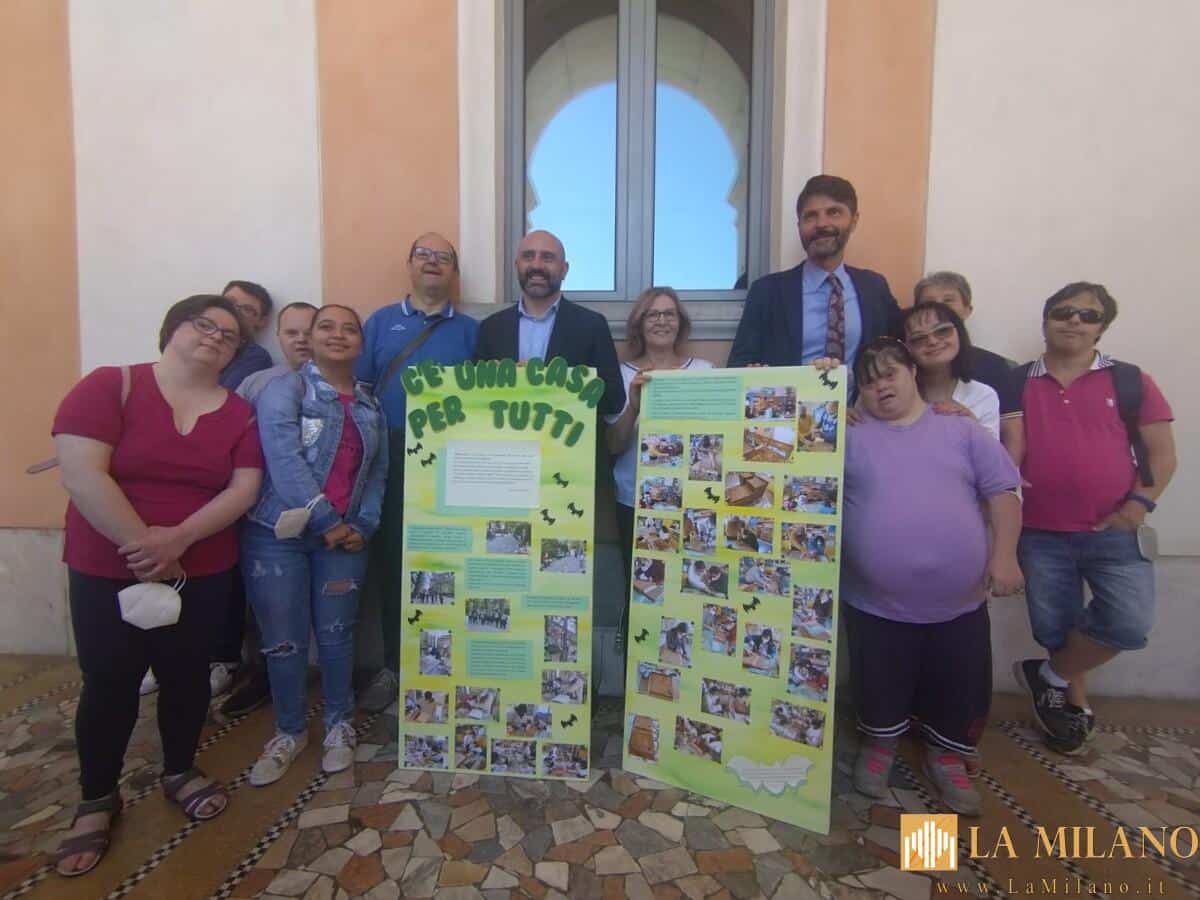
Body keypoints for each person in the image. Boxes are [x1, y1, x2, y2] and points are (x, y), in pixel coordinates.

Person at [51, 295, 263, 877]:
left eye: (229, 335)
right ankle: (97, 797)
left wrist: (179, 540)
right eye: (204, 324)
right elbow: (81, 472)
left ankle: (179, 769)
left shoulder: (240, 413)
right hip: (106, 565)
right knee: (109, 681)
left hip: (202, 565)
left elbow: (244, 488)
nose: (216, 337)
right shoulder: (109, 386)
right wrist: (144, 544)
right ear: (171, 329)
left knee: (187, 676)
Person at [840, 338, 1023, 816]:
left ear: (913, 373)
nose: (881, 387)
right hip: (874, 603)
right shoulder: (848, 437)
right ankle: (879, 744)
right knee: (878, 679)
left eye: (890, 374)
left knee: (956, 681)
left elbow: (1003, 493)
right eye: (869, 382)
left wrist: (1005, 557)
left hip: (958, 603)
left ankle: (947, 756)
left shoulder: (960, 429)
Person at [1010, 283, 1176, 754]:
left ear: (1102, 327)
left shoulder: (1130, 380)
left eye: (1088, 315)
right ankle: (1071, 704)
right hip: (1039, 531)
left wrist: (1136, 506)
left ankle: (1048, 676)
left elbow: (1163, 455)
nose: (1074, 321)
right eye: (1064, 311)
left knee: (1128, 623)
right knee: (1056, 627)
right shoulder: (1015, 381)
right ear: (1046, 319)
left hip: (1114, 531)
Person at [243, 304, 388, 784]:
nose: (338, 335)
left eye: (350, 329)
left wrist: (364, 525)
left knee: (337, 634)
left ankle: (339, 724)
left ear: (361, 344)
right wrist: (326, 520)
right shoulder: (285, 390)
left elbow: (377, 473)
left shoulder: (369, 403)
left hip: (344, 541)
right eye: (327, 327)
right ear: (311, 336)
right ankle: (288, 731)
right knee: (284, 641)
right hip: (277, 537)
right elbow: (283, 461)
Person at [356, 233, 479, 713]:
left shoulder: (471, 332)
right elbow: (360, 392)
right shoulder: (379, 323)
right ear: (409, 264)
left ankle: (450, 664)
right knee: (393, 564)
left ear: (454, 273)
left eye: (443, 257)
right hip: (390, 461)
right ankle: (394, 665)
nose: (433, 262)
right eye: (424, 254)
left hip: (452, 467)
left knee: (452, 564)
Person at [207, 301, 319, 718]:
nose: (302, 340)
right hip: (265, 520)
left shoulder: (346, 385)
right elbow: (230, 438)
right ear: (279, 337)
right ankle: (264, 680)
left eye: (310, 330)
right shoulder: (256, 384)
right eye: (292, 333)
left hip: (329, 520)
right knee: (267, 614)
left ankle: (328, 700)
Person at [607, 288, 714, 648]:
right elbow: (613, 445)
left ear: (680, 323)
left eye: (669, 314)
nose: (662, 321)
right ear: (639, 323)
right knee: (643, 591)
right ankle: (636, 668)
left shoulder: (704, 372)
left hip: (693, 503)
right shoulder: (621, 375)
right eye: (652, 314)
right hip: (635, 504)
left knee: (691, 589)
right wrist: (634, 406)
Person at [728, 175, 900, 373]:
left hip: (858, 394)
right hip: (790, 393)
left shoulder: (874, 287)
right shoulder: (767, 292)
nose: (821, 224)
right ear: (799, 226)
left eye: (834, 212)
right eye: (810, 216)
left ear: (853, 221)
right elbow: (738, 366)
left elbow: (905, 346)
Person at [474, 229, 625, 415]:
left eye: (547, 258)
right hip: (506, 433)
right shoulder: (491, 328)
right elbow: (475, 400)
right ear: (516, 265)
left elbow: (614, 401)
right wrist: (495, 379)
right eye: (528, 256)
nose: (536, 265)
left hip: (568, 432)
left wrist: (552, 381)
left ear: (564, 270)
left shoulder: (592, 326)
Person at [913, 271, 1020, 441]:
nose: (939, 308)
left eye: (948, 300)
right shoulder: (904, 366)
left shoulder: (995, 367)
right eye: (929, 302)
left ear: (967, 310)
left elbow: (1013, 435)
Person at [899, 302, 1001, 438]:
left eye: (942, 331)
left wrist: (971, 425)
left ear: (959, 332)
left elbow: (992, 452)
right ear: (905, 348)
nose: (933, 341)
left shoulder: (983, 395)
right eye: (919, 338)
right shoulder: (896, 396)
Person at [219, 280, 275, 391]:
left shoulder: (255, 357)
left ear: (261, 321)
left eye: (247, 309)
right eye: (229, 302)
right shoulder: (196, 337)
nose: (234, 310)